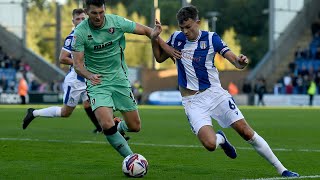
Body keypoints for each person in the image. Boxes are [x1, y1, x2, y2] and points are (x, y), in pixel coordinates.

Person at [150, 5, 299, 177]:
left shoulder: (211, 38)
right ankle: (221, 139)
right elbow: (160, 58)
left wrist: (241, 61)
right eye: (182, 28)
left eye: (188, 27)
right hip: (192, 102)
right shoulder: (176, 38)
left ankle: (283, 169)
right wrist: (154, 39)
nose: (185, 31)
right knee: (210, 144)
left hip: (215, 94)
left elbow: (235, 61)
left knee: (246, 131)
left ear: (198, 22)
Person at [71, 0, 178, 158]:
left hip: (119, 80)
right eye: (94, 13)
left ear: (105, 9)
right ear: (87, 12)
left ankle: (118, 127)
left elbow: (148, 31)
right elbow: (77, 65)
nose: (99, 17)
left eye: (101, 12)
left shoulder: (117, 22)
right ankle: (130, 158)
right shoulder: (80, 32)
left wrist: (165, 46)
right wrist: (89, 75)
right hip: (97, 83)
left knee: (135, 126)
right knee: (106, 123)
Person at [22, 8, 104, 134]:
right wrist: (80, 63)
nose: (81, 21)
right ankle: (33, 113)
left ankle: (106, 129)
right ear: (73, 21)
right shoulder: (72, 38)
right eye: (78, 19)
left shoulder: (91, 34)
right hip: (76, 81)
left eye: (83, 18)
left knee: (95, 104)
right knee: (65, 112)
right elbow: (62, 58)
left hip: (88, 79)